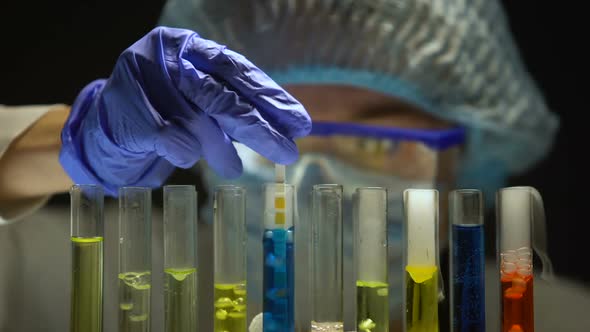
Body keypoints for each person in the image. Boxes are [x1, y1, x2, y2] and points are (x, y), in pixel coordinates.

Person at [3, 1, 583, 331]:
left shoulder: (550, 320)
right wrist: (72, 141)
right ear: (199, 133)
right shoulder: (83, 283)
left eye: (376, 142)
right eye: (269, 133)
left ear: (468, 155)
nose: (310, 179)